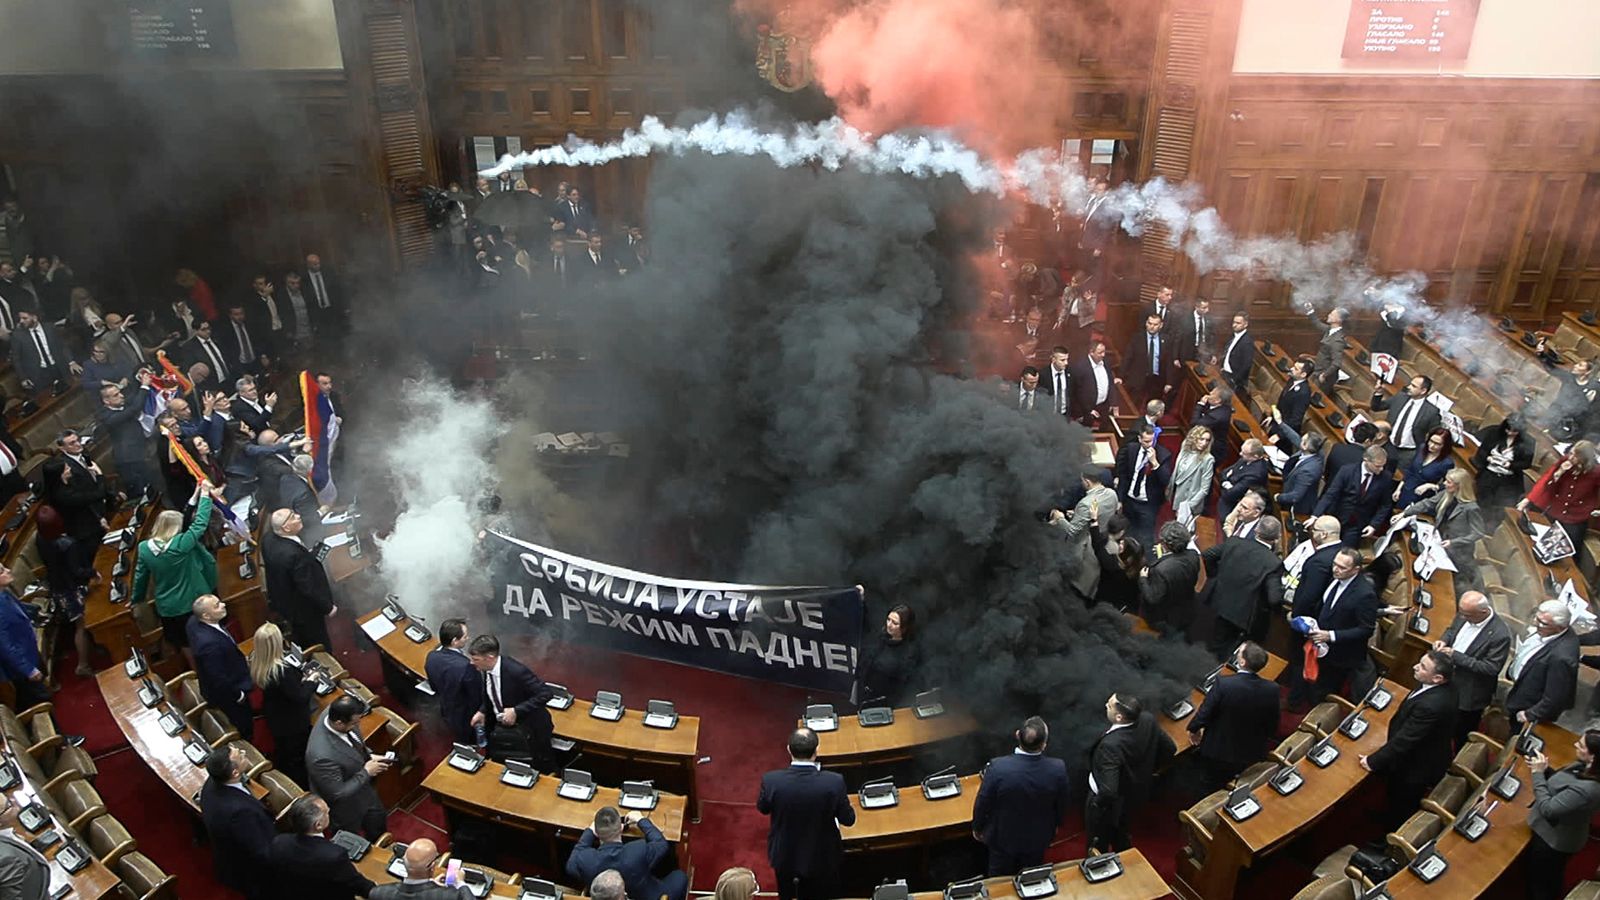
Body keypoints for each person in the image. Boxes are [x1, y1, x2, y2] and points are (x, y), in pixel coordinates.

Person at [756, 728, 855, 900]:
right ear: (816, 751)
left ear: (788, 750)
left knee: (786, 895)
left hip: (786, 854)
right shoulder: (834, 782)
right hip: (822, 855)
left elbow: (763, 808)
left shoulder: (771, 781)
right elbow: (848, 819)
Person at [1360, 650, 1457, 826]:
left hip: (1417, 765)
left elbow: (1406, 739)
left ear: (1437, 678)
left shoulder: (1432, 705)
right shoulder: (1442, 686)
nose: (1415, 667)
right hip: (1419, 753)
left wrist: (1373, 761)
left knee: (1402, 804)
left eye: (1422, 667)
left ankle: (1386, 840)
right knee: (1393, 797)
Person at [971, 716, 1071, 876]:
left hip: (1002, 837)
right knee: (1031, 878)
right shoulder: (1057, 768)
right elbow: (1062, 802)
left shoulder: (998, 767)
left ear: (1017, 735)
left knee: (999, 881)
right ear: (1044, 744)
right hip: (1038, 836)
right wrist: (1058, 823)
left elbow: (984, 801)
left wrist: (977, 826)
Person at [132, 492, 216, 667]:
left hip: (168, 608)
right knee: (206, 638)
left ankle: (196, 672)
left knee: (184, 643)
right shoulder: (180, 545)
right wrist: (206, 496)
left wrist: (136, 599)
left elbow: (141, 577)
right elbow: (200, 523)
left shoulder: (144, 549)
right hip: (194, 603)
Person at [1085, 694, 1175, 853]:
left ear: (1119, 717)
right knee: (1123, 830)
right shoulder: (1148, 719)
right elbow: (1170, 748)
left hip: (1109, 804)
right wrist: (1149, 772)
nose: (1106, 704)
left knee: (1097, 839)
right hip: (1135, 794)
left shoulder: (1110, 746)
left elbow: (1109, 791)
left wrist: (1096, 804)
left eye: (1110, 705)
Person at [1188, 641, 1280, 790]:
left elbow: (1205, 712)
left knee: (1209, 784)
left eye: (1239, 652)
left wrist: (1194, 729)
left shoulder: (1223, 684)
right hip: (1250, 751)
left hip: (1218, 751)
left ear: (1242, 662)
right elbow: (1272, 723)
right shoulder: (1272, 689)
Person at [1524, 730, 1600, 900]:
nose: (1575, 745)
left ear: (1593, 757)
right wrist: (1545, 769)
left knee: (1541, 883)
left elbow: (1548, 809)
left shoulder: (1588, 790)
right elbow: (1564, 782)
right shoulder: (1588, 767)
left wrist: (1537, 774)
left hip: (1554, 840)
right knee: (1550, 877)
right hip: (1561, 830)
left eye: (1581, 745)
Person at [306, 695, 391, 840]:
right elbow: (338, 793)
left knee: (377, 824)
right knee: (351, 840)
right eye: (354, 723)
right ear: (339, 723)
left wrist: (369, 756)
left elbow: (353, 744)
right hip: (346, 808)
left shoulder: (334, 712)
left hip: (365, 792)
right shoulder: (321, 756)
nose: (357, 725)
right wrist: (367, 771)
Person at [1432, 591, 1510, 748]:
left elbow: (1491, 668)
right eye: (1462, 613)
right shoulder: (1465, 613)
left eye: (1467, 614)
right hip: (1447, 678)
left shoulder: (1500, 635)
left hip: (1469, 691)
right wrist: (1443, 640)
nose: (1462, 617)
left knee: (1458, 731)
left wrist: (1456, 656)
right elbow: (1451, 630)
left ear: (1483, 611)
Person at [467, 634, 556, 769]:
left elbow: (545, 693)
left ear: (490, 657)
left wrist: (516, 710)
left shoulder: (516, 671)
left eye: (475, 659)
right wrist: (482, 711)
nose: (471, 663)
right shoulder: (485, 669)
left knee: (537, 767)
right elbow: (492, 695)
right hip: (504, 730)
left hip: (530, 730)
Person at [1200, 517, 1285, 657]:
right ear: (1277, 537)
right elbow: (1274, 598)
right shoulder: (1273, 562)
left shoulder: (1234, 542)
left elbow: (1208, 555)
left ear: (1256, 530)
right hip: (1243, 615)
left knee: (1215, 639)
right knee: (1227, 649)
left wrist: (1215, 575)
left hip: (1219, 600)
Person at [200, 744, 275, 900]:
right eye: (239, 755)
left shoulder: (212, 783)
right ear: (235, 772)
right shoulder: (240, 813)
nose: (244, 752)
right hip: (250, 872)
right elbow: (261, 852)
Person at [565, 806, 688, 900]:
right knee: (679, 876)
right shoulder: (638, 850)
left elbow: (571, 865)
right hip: (649, 896)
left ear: (597, 833)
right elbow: (661, 844)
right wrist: (641, 820)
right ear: (622, 828)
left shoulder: (586, 860)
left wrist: (589, 832)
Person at [269, 794, 376, 900]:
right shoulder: (334, 856)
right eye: (326, 812)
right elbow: (360, 886)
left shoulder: (279, 841)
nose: (329, 811)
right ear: (318, 825)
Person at [1304, 549, 1377, 701]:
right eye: (1335, 565)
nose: (1336, 569)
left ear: (1356, 570)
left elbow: (1366, 629)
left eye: (1342, 567)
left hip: (1340, 654)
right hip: (1319, 645)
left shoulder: (1365, 594)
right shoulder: (1335, 578)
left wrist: (1330, 635)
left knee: (1325, 689)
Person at [249, 622, 315, 786]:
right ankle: (300, 786)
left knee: (285, 752)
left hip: (275, 715)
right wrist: (311, 681)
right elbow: (300, 696)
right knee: (297, 757)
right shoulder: (281, 670)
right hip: (292, 722)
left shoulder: (256, 659)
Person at [263, 508, 336, 651]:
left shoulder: (268, 539)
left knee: (302, 636)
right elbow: (308, 588)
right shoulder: (294, 555)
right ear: (286, 527)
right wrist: (328, 607)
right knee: (318, 641)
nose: (298, 516)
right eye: (292, 517)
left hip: (284, 601)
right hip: (304, 610)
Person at [1401, 468, 1486, 589]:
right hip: (1440, 541)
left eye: (1449, 482)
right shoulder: (1446, 494)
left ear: (1459, 486)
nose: (1445, 484)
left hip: (1459, 552)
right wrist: (1404, 514)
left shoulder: (1471, 508)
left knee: (1460, 580)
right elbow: (1427, 503)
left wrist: (1454, 542)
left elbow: (1478, 533)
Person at [33, 505, 93, 677]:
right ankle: (83, 665)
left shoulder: (40, 538)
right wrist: (93, 573)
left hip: (57, 587)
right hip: (71, 589)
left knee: (78, 624)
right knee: (81, 626)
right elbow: (77, 572)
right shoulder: (67, 544)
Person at [186, 594, 254, 739]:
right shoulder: (209, 645)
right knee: (245, 727)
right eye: (217, 605)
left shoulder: (194, 622)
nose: (223, 605)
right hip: (230, 696)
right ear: (206, 615)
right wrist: (239, 695)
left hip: (229, 671)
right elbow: (219, 679)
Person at [1505, 600, 1579, 725]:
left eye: (1542, 623)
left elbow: (1556, 697)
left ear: (1560, 627)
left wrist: (1531, 714)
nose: (1535, 623)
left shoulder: (1561, 658)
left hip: (1527, 707)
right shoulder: (1550, 631)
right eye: (1537, 618)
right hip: (1521, 687)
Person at [1049, 470, 1119, 603]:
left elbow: (1072, 531)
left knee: (1078, 585)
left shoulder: (1085, 503)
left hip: (1086, 549)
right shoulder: (1112, 493)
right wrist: (1076, 515)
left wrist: (1060, 518)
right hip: (1105, 542)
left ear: (1087, 482)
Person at [1518, 440, 1600, 548]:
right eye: (1571, 453)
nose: (1571, 457)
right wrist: (1559, 472)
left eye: (1575, 456)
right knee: (1536, 541)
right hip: (1555, 510)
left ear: (1584, 458)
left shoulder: (1596, 472)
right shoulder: (1565, 461)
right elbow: (1546, 482)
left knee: (1568, 549)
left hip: (1576, 517)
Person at [1314, 446, 1394, 546]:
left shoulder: (1385, 478)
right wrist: (1315, 515)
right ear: (1366, 460)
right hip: (1337, 518)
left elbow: (1385, 505)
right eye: (1378, 466)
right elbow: (1331, 494)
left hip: (1358, 525)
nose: (1381, 469)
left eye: (1383, 465)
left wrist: (1373, 525)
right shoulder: (1347, 471)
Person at [1113, 423, 1170, 556]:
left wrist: (1155, 463)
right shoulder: (1131, 449)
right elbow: (1124, 475)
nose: (1149, 444)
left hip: (1148, 504)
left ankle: (1145, 567)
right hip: (1130, 500)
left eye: (1152, 441)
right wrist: (1120, 499)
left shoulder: (1163, 454)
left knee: (1146, 538)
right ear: (1139, 439)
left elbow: (1165, 481)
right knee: (1128, 532)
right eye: (1146, 441)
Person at [424, 618, 483, 745]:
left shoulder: (431, 656)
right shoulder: (467, 666)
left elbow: (433, 685)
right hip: (466, 715)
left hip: (446, 708)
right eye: (465, 637)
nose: (468, 638)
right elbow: (476, 697)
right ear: (455, 641)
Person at [1138, 522, 1199, 638]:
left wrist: (1143, 579)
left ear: (1166, 544)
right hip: (1186, 608)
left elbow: (1152, 598)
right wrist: (1164, 557)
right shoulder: (1194, 555)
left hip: (1166, 617)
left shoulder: (1161, 570)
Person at [0, 565, 47, 711]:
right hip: (20, 664)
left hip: (28, 648)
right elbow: (4, 645)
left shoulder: (4, 594)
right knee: (39, 700)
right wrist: (28, 669)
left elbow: (20, 608)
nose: (8, 570)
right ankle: (57, 733)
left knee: (40, 693)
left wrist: (38, 612)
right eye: (1, 571)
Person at [1371, 376, 1441, 468]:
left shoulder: (1431, 411)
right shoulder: (1400, 397)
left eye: (1413, 386)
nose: (1409, 387)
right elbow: (1377, 407)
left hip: (1408, 453)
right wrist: (1379, 392)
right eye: (1410, 384)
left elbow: (1435, 433)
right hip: (1387, 444)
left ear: (1423, 391)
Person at [1472, 415, 1534, 516]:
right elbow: (1482, 451)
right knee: (1482, 503)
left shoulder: (1528, 442)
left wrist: (1511, 464)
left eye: (1514, 431)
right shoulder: (1494, 432)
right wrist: (1488, 458)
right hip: (1489, 474)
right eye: (1508, 430)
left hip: (1508, 481)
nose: (1509, 433)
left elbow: (1526, 463)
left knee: (1498, 510)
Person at [856, 604, 916, 707]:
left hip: (884, 703)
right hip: (863, 694)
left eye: (895, 623)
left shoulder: (908, 652)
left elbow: (901, 686)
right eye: (888, 619)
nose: (889, 625)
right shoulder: (879, 637)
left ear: (904, 627)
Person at [369, 838, 467, 899]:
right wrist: (460, 883)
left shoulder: (378, 893)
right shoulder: (450, 896)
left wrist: (431, 883)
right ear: (432, 867)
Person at [1166, 426, 1216, 527]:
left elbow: (1204, 489)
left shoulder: (1208, 459)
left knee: (1182, 530)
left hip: (1189, 500)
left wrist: (1188, 506)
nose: (1204, 443)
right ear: (1194, 438)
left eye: (1207, 440)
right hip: (1177, 491)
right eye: (1201, 439)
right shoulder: (1185, 448)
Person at [1393, 427, 1454, 509]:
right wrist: (1399, 489)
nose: (1432, 445)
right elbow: (1410, 470)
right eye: (1431, 441)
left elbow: (1447, 485)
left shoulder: (1447, 463)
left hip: (1422, 498)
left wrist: (1431, 486)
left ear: (1445, 445)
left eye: (1437, 444)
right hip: (1405, 491)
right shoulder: (1422, 448)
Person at [1122, 314, 1173, 403]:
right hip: (1138, 378)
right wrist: (1120, 376)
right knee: (1134, 404)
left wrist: (1169, 382)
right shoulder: (1137, 338)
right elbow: (1127, 357)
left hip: (1156, 380)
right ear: (1146, 323)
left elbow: (1169, 362)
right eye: (1150, 323)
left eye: (1155, 324)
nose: (1152, 327)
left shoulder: (1166, 340)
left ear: (1161, 325)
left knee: (1153, 406)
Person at [1217, 439, 1269, 523]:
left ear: (1255, 456)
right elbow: (1224, 473)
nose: (1240, 454)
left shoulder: (1256, 473)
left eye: (1244, 453)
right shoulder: (1246, 459)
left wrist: (1227, 481)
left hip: (1234, 505)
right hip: (1226, 496)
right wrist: (1226, 483)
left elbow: (1232, 494)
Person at [1276, 431, 1326, 517]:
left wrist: (1278, 497)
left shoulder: (1308, 471)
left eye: (1302, 440)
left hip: (1297, 509)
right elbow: (1295, 438)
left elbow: (1296, 496)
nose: (1300, 440)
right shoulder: (1314, 453)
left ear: (1305, 446)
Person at [1311, 307, 1348, 392]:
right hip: (1318, 371)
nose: (1329, 315)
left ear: (1338, 319)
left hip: (1323, 378)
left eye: (1332, 314)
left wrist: (1324, 375)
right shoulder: (1330, 330)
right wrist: (1310, 311)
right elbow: (1317, 324)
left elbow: (1337, 363)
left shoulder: (1337, 341)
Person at [1218, 312, 1254, 396]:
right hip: (1225, 374)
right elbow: (1228, 353)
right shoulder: (1233, 336)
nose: (1234, 325)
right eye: (1234, 322)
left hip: (1234, 380)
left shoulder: (1247, 342)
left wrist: (1235, 379)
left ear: (1245, 324)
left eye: (1238, 323)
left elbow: (1246, 365)